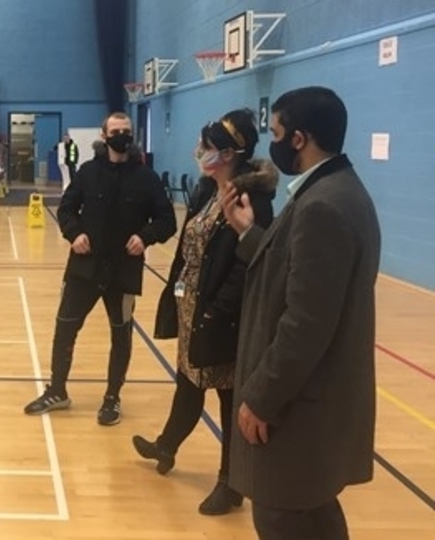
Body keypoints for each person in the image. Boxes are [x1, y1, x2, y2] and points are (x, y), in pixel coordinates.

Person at [221, 86, 381, 539]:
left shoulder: (323, 206)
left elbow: (306, 323)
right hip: (314, 397)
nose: (271, 142)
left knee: (282, 513)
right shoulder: (338, 191)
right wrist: (251, 235)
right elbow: (294, 274)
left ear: (298, 138)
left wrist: (262, 397)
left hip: (299, 404)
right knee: (315, 514)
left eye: (275, 131)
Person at [132, 108, 278, 516]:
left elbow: (246, 265)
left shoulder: (251, 200)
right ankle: (166, 447)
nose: (201, 152)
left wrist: (217, 311)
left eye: (208, 147)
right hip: (191, 307)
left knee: (229, 401)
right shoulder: (206, 191)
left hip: (222, 317)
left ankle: (231, 484)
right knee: (188, 382)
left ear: (229, 154)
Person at [23, 112, 177, 425]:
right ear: (104, 136)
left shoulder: (147, 178)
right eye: (116, 131)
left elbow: (167, 220)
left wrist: (146, 237)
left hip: (123, 271)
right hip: (84, 268)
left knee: (121, 336)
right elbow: (66, 208)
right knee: (65, 327)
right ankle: (57, 390)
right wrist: (74, 233)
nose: (122, 135)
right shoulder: (88, 172)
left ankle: (112, 398)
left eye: (127, 131)